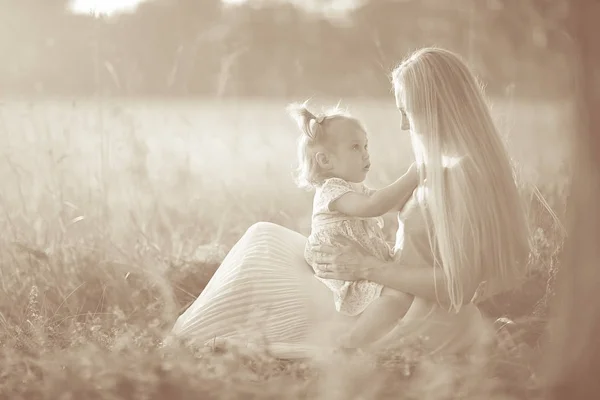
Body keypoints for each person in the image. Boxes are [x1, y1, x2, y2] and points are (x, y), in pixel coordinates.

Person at [169, 47, 530, 359]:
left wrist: (365, 267)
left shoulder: (463, 174)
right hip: (378, 291)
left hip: (396, 309)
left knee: (261, 257)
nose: (404, 126)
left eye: (407, 111)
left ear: (434, 107)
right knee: (263, 240)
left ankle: (179, 346)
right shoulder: (443, 166)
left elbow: (458, 285)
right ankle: (183, 340)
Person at [286, 102, 417, 348]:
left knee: (403, 290)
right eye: (355, 147)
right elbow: (374, 206)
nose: (366, 153)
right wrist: (413, 175)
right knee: (397, 296)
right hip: (342, 273)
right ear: (325, 160)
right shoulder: (332, 191)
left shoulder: (353, 189)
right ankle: (352, 343)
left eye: (365, 146)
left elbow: (390, 203)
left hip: (356, 264)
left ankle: (380, 337)